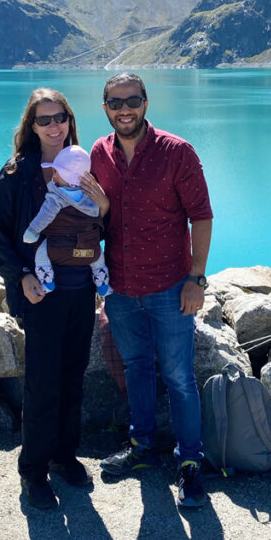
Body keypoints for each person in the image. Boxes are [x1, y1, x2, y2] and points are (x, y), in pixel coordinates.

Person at [81, 72, 213, 509]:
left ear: (146, 102)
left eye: (132, 100)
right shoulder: (99, 154)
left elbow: (202, 216)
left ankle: (190, 463)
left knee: (178, 376)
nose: (125, 109)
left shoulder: (177, 152)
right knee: (136, 367)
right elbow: (91, 215)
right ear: (104, 107)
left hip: (170, 286)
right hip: (120, 288)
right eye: (116, 102)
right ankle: (142, 449)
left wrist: (196, 278)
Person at [0, 89, 96, 510]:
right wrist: (22, 276)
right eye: (44, 119)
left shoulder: (85, 165)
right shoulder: (17, 173)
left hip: (81, 288)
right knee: (43, 383)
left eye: (61, 117)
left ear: (70, 119)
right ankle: (33, 471)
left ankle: (64, 456)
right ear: (31, 127)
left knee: (73, 377)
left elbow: (99, 219)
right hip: (42, 292)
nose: (55, 126)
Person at [23, 144, 112, 297]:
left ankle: (47, 280)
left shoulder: (56, 197)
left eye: (56, 171)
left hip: (59, 249)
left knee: (41, 252)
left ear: (62, 175)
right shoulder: (93, 194)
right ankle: (102, 283)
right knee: (98, 257)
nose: (54, 174)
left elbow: (44, 216)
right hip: (89, 248)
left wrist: (32, 231)